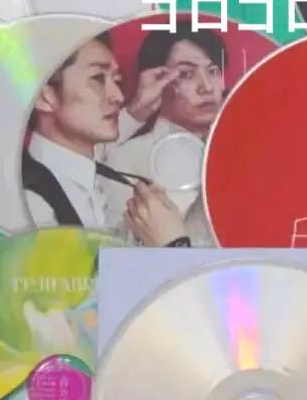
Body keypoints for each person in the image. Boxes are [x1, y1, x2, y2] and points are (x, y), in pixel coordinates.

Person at [23, 34, 188, 245]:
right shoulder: (35, 209)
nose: (118, 96)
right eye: (97, 79)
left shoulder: (76, 163)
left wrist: (137, 110)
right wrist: (172, 243)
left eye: (116, 80)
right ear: (45, 97)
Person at [102, 29, 225, 242]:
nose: (207, 87)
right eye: (186, 74)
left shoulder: (240, 153)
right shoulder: (126, 160)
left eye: (213, 71)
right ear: (157, 82)